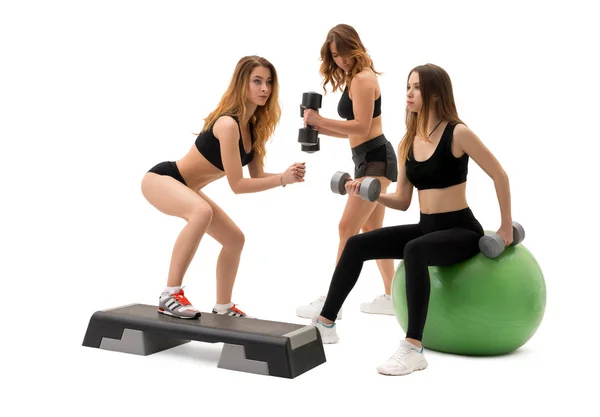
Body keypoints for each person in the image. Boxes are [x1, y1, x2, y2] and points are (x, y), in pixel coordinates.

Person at [309, 63, 514, 376]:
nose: (409, 92)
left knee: (414, 250)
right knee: (357, 244)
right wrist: (367, 192)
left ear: (435, 93)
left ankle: (413, 347)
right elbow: (403, 201)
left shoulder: (458, 132)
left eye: (417, 87)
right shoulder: (408, 141)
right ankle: (326, 323)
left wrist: (504, 226)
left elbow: (499, 175)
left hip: (461, 229)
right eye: (408, 86)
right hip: (426, 227)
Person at [141, 55, 305, 319]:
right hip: (162, 179)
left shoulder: (254, 129)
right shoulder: (228, 124)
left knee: (234, 240)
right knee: (201, 212)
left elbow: (258, 175)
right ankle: (170, 294)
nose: (264, 88)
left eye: (269, 82)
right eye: (257, 81)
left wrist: (286, 176)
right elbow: (237, 185)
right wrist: (282, 180)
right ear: (242, 84)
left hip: (188, 189)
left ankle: (223, 307)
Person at [296, 24, 398, 320]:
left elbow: (362, 127)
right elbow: (355, 133)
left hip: (376, 161)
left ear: (355, 46)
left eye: (342, 53)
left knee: (346, 229)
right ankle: (393, 297)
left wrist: (321, 118)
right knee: (373, 231)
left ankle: (333, 302)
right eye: (334, 55)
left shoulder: (363, 80)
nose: (340, 60)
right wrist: (320, 128)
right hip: (366, 159)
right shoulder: (355, 78)